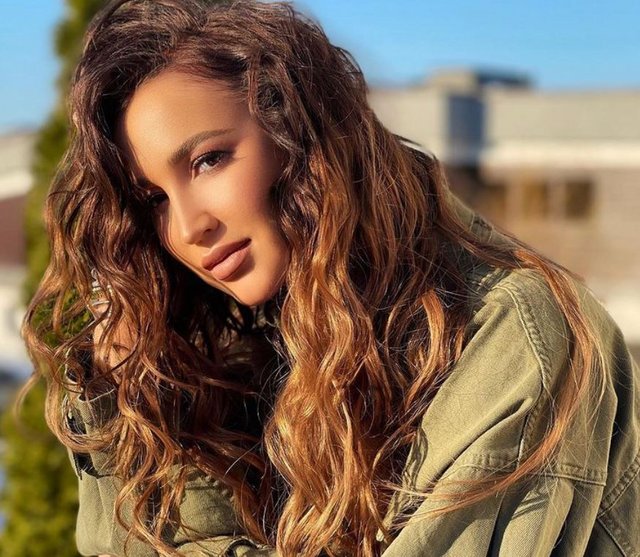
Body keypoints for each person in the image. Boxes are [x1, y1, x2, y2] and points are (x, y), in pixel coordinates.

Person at [21, 0, 639, 556]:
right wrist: (143, 407)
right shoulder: (256, 341)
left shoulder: (513, 337)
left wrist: (174, 462)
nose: (188, 227)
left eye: (209, 160)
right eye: (153, 198)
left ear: (300, 131)